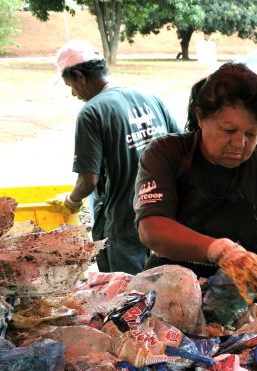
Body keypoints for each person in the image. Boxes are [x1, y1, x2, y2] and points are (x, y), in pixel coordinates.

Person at [133, 62, 257, 305]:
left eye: (251, 134)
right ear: (200, 117)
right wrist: (219, 250)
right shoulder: (165, 153)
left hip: (241, 302)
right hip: (168, 295)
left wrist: (247, 286)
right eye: (229, 130)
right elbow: (151, 228)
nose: (239, 143)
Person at [53, 39, 180, 274]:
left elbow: (88, 180)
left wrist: (71, 201)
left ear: (80, 76)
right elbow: (182, 148)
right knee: (163, 287)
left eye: (70, 84)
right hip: (165, 212)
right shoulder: (150, 98)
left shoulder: (91, 112)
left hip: (125, 221)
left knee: (127, 296)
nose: (72, 93)